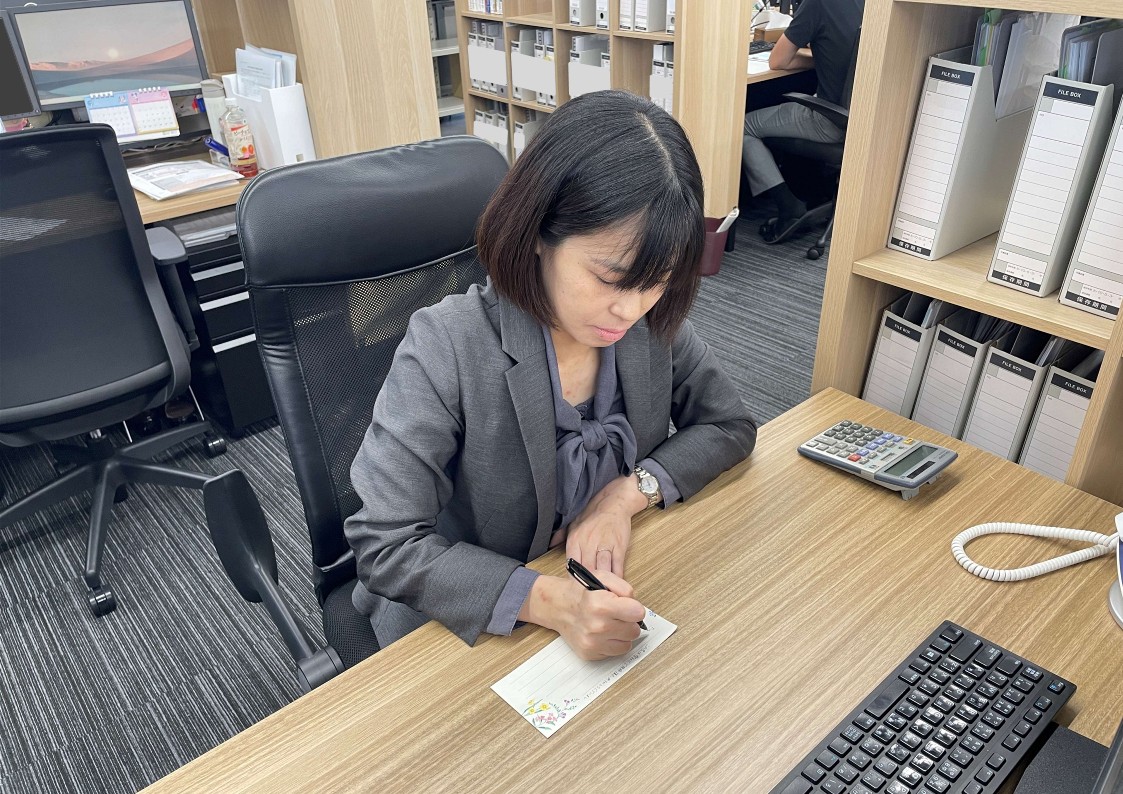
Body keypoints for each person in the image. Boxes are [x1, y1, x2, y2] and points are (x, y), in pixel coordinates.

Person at [344, 90, 757, 661]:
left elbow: (729, 424)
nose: (630, 308)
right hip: (465, 619)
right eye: (610, 277)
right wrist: (551, 602)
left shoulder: (646, 322)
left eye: (658, 281)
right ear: (539, 233)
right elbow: (386, 544)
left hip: (604, 583)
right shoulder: (449, 344)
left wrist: (622, 497)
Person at [743, 0, 864, 243]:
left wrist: (818, 56)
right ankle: (814, 190)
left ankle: (789, 207)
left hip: (830, 119)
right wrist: (823, 54)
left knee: (743, 125)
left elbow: (778, 61)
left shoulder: (819, 4)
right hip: (866, 120)